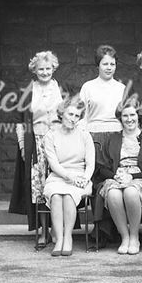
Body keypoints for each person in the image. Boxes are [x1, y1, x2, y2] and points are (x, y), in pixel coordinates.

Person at [8, 49, 70, 239]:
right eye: (41, 69)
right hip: (36, 144)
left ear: (54, 68)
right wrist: (23, 147)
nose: (45, 72)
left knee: (58, 184)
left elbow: (72, 115)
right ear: (34, 70)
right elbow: (20, 121)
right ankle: (43, 231)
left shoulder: (61, 88)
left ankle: (59, 231)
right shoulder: (27, 91)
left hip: (59, 143)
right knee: (40, 187)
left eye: (48, 68)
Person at [94, 97, 142, 254]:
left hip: (139, 178)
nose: (129, 119)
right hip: (116, 176)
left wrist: (132, 177)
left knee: (131, 192)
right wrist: (115, 175)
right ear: (120, 118)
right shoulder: (113, 138)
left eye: (132, 115)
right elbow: (102, 167)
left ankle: (134, 236)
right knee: (113, 194)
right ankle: (124, 237)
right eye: (125, 116)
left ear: (138, 116)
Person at [42, 94, 95, 258]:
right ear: (62, 113)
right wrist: (70, 178)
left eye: (77, 116)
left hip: (80, 178)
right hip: (59, 177)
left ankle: (68, 237)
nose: (73, 119)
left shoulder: (85, 135)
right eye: (70, 114)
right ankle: (58, 239)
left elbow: (90, 163)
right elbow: (54, 165)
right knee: (57, 196)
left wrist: (84, 179)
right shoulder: (51, 135)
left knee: (69, 196)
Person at [79, 44, 126, 136]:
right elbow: (82, 116)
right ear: (98, 65)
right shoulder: (88, 87)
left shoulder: (122, 88)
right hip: (93, 134)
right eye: (105, 64)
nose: (109, 68)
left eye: (112, 64)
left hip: (117, 135)